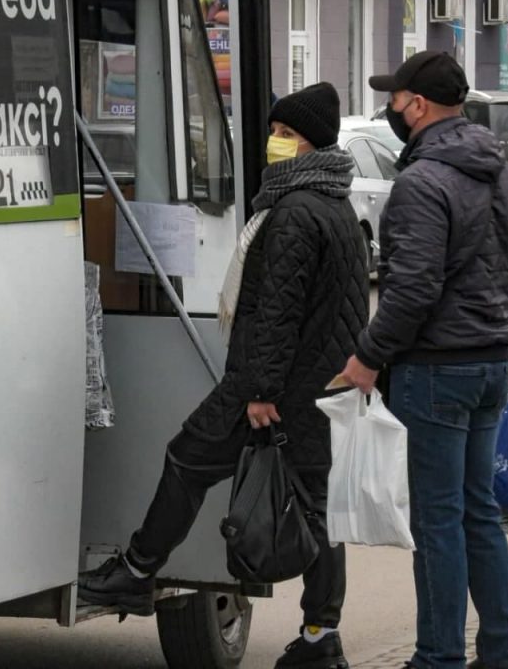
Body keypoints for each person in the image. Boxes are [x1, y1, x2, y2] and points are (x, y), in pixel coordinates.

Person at [77, 82, 369, 669]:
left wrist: (260, 391)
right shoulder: (335, 203)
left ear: (312, 143)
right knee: (317, 509)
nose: (275, 141)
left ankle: (136, 570)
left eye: (287, 133)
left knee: (187, 459)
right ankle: (321, 636)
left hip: (274, 389)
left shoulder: (294, 211)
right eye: (275, 131)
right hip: (319, 387)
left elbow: (277, 312)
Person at [340, 51, 508, 669]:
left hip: (436, 369)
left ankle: (438, 657)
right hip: (490, 361)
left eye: (394, 100)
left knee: (439, 521)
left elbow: (412, 288)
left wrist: (368, 356)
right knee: (479, 514)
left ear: (417, 105)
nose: (390, 110)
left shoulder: (422, 181)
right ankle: (502, 653)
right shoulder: (503, 173)